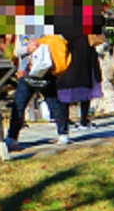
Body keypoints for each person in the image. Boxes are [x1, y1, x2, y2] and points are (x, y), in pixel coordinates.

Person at [5, 16, 70, 151]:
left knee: (54, 103)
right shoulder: (21, 30)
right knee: (19, 104)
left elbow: (60, 41)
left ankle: (63, 133)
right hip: (27, 73)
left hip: (46, 70)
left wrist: (41, 43)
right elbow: (17, 51)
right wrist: (28, 49)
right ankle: (12, 137)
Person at [54, 4, 104, 131]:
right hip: (84, 52)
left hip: (65, 54)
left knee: (64, 89)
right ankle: (84, 120)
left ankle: (65, 121)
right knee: (85, 87)